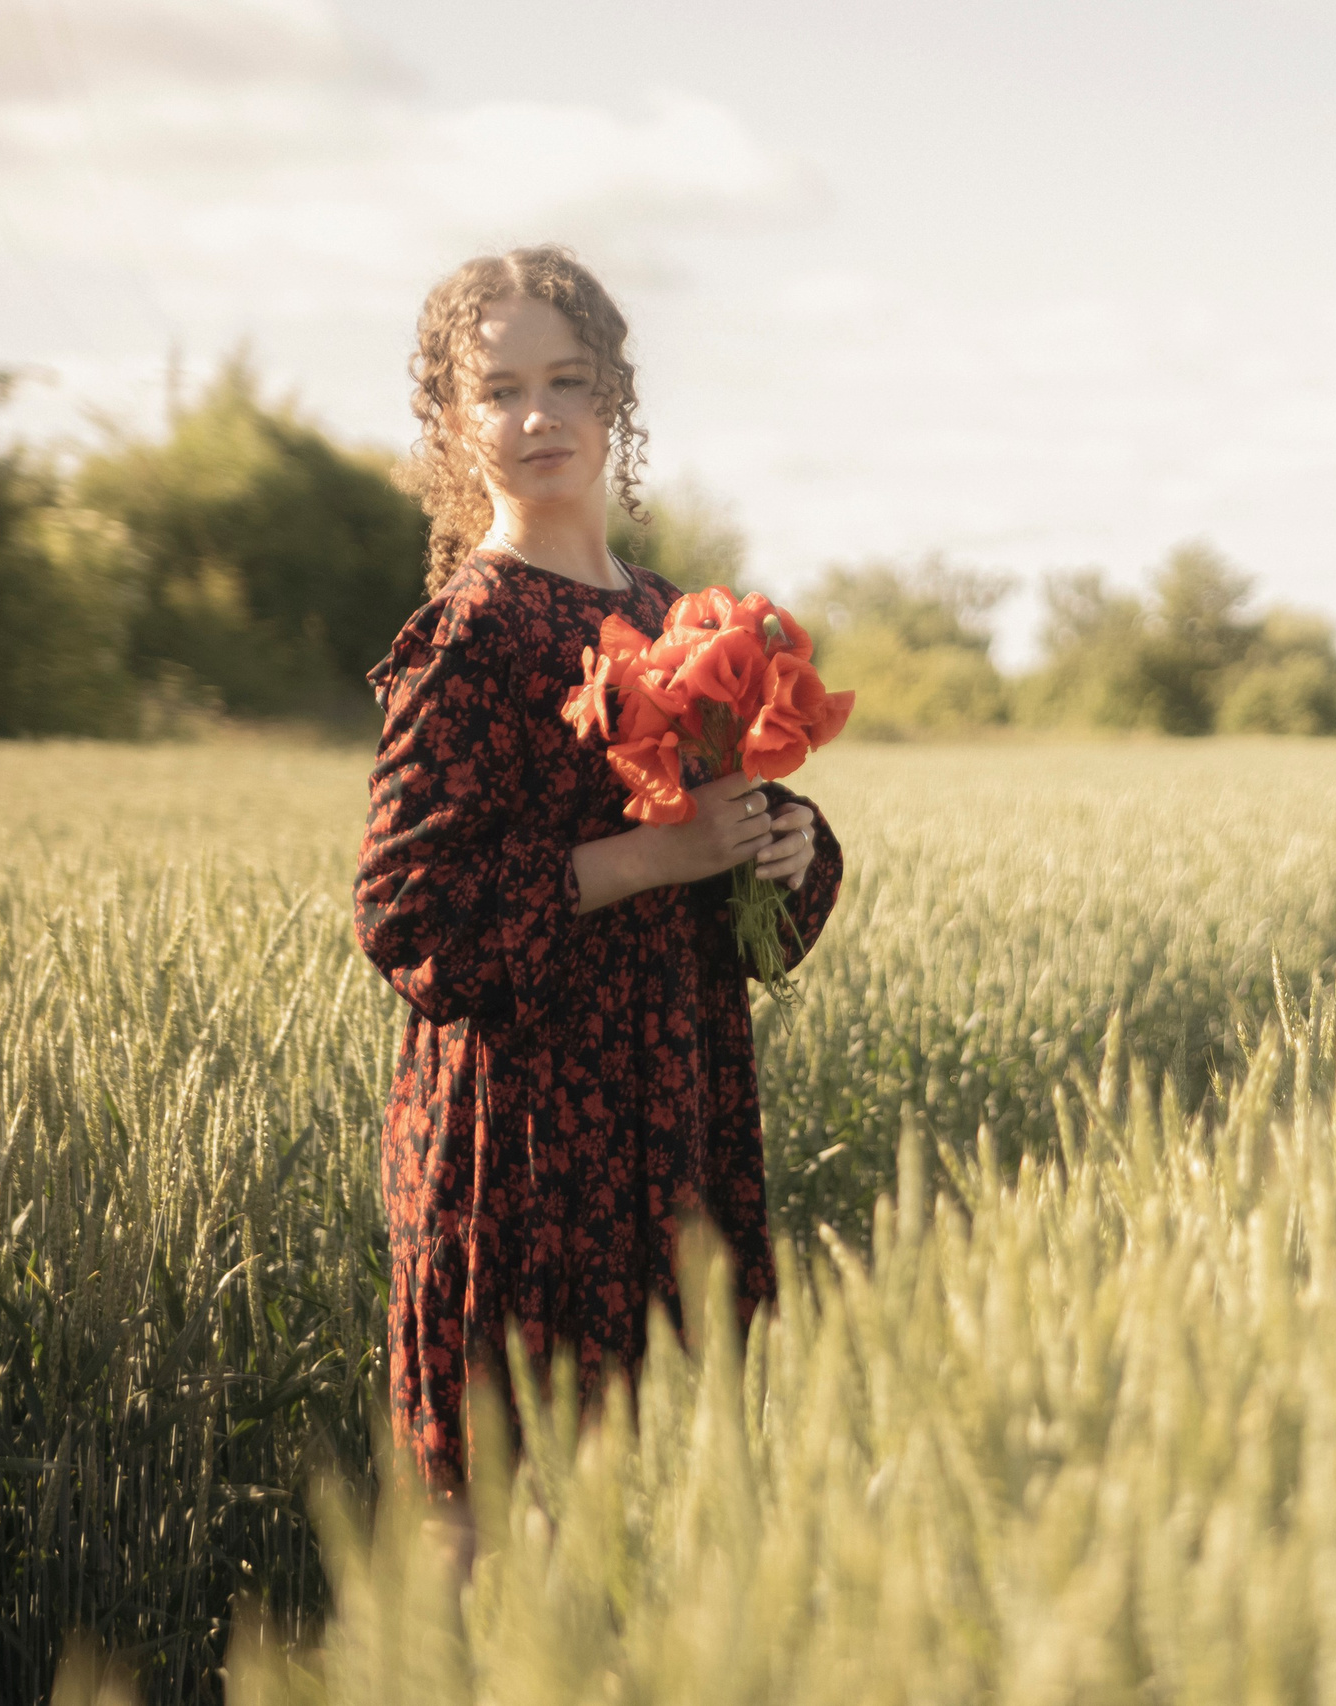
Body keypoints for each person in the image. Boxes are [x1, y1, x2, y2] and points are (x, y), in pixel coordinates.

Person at [353, 246, 841, 1489]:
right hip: (525, 1139)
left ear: (614, 399)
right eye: (499, 389)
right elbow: (412, 917)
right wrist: (650, 856)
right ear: (451, 425)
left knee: (667, 1515)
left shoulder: (686, 619)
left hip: (675, 1106)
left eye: (567, 381)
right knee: (509, 1518)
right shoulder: (470, 634)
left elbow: (748, 895)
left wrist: (781, 850)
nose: (536, 416)